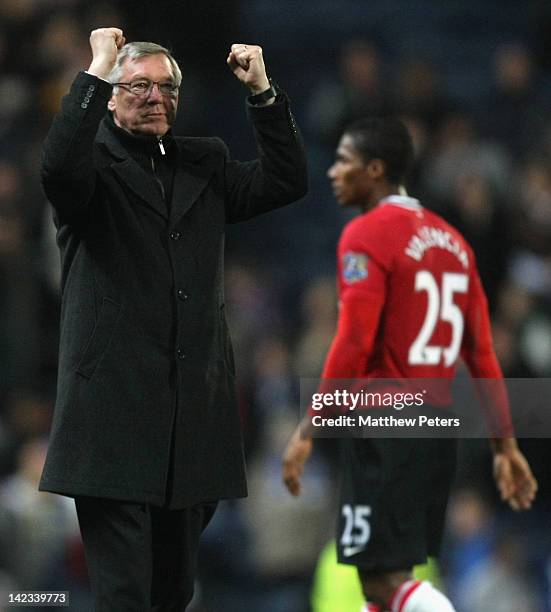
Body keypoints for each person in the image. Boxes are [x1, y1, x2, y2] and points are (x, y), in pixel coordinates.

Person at [39, 26, 307, 611]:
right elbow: (56, 171)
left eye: (167, 87)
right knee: (126, 596)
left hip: (191, 423)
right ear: (111, 95)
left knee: (173, 594)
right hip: (112, 422)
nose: (155, 96)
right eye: (138, 85)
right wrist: (96, 67)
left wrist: (262, 91)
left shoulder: (203, 163)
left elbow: (286, 180)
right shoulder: (91, 168)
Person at [282, 117, 536, 612]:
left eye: (344, 162)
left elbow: (353, 341)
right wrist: (505, 445)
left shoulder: (366, 235)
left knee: (379, 580)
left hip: (386, 421)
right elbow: (481, 353)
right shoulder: (455, 243)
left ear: (375, 171)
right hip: (438, 429)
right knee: (389, 581)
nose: (333, 172)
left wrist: (311, 428)